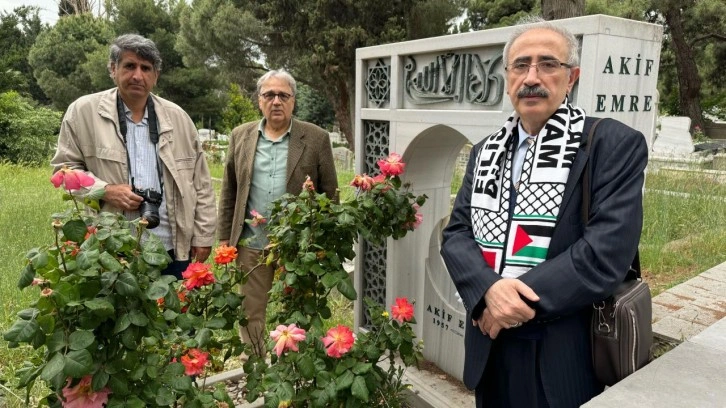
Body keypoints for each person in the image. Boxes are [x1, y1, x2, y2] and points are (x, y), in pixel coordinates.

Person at [440, 17, 648, 407]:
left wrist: (505, 305)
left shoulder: (612, 144)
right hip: (489, 346)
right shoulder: (486, 151)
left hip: (561, 355)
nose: (532, 77)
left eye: (548, 64)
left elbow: (604, 255)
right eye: (520, 65)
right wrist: (488, 293)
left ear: (572, 78)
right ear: (507, 78)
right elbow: (457, 234)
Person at [51, 34, 217, 279]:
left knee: (171, 304)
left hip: (172, 246)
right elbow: (63, 170)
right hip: (110, 247)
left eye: (146, 68)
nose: (138, 75)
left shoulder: (178, 118)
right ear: (113, 69)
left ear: (156, 75)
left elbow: (201, 183)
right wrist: (104, 191)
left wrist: (203, 236)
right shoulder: (83, 112)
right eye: (129, 66)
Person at [217, 69, 338, 356]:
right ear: (259, 100)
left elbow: (330, 194)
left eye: (283, 95)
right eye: (269, 95)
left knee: (295, 312)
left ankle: (290, 369)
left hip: (296, 247)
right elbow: (229, 191)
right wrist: (224, 238)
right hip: (251, 243)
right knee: (250, 312)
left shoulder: (316, 138)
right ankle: (256, 366)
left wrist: (323, 243)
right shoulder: (240, 136)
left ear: (293, 100)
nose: (276, 101)